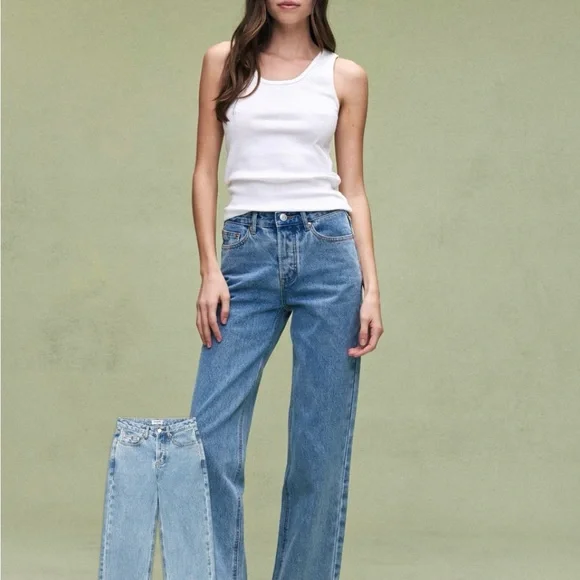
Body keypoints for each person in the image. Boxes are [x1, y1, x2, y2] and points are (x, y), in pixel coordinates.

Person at [189, 1, 384, 578]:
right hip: (245, 252)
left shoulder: (345, 76)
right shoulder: (224, 61)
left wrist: (372, 288)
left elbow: (354, 187)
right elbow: (204, 170)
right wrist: (209, 270)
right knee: (209, 438)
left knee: (318, 450)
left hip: (329, 251)